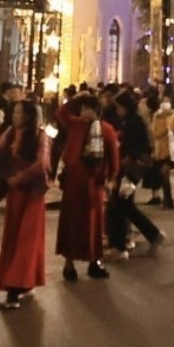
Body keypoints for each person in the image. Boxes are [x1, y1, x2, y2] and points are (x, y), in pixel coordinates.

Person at [0, 99, 51, 309]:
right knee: (15, 238)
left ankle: (15, 288)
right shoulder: (11, 133)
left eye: (20, 113)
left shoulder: (40, 136)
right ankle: (25, 281)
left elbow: (42, 164)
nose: (16, 116)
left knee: (26, 241)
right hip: (15, 194)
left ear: (29, 116)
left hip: (32, 194)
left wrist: (18, 179)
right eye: (16, 112)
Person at [54, 94, 119, 281]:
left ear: (97, 111)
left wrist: (111, 179)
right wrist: (77, 98)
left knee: (94, 225)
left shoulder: (106, 130)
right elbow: (61, 112)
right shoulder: (75, 125)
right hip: (73, 183)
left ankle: (94, 261)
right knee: (71, 223)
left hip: (93, 184)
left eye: (89, 109)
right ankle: (69, 264)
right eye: (82, 109)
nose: (85, 113)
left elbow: (113, 158)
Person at [107, 91, 162, 257]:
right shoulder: (132, 121)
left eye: (119, 107)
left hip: (129, 170)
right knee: (126, 207)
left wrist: (128, 157)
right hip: (128, 169)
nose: (117, 111)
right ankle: (153, 235)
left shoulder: (134, 123)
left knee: (117, 205)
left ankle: (120, 246)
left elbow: (139, 146)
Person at [148, 93, 174, 209]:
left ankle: (168, 200)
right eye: (163, 101)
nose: (165, 103)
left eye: (167, 101)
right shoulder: (156, 116)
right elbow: (153, 132)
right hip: (159, 150)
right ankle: (165, 199)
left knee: (164, 173)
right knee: (162, 176)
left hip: (170, 151)